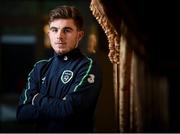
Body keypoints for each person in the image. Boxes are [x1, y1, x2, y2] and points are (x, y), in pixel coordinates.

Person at [16, 5, 102, 132]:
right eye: (54, 30)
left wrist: (37, 98)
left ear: (79, 35)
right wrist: (58, 107)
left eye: (67, 30)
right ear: (49, 33)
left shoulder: (88, 67)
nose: (59, 36)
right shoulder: (40, 67)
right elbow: (22, 114)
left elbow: (68, 110)